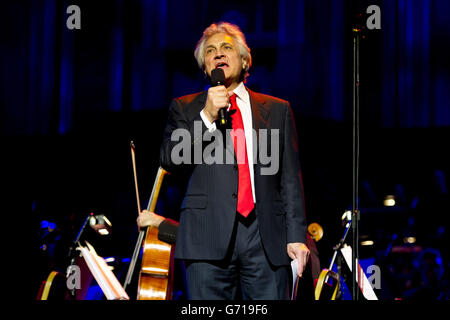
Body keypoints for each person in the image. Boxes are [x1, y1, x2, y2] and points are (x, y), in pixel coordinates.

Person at [158, 21, 309, 300]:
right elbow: (172, 161)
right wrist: (206, 116)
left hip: (265, 238)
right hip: (206, 236)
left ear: (244, 59)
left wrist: (296, 236)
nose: (218, 54)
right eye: (210, 51)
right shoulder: (185, 107)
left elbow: (290, 178)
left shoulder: (277, 109)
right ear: (205, 66)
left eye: (227, 48)